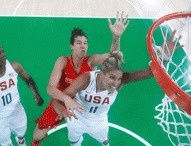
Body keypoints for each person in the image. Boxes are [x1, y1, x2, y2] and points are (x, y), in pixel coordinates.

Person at [52, 30, 183, 146]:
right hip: (77, 120)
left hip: (99, 123)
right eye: (112, 78)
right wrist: (61, 110)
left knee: (104, 140)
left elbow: (150, 72)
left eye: (119, 78)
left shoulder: (121, 81)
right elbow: (56, 101)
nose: (116, 83)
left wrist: (164, 57)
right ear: (102, 74)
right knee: (74, 141)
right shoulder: (86, 80)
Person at [30, 11, 129, 146]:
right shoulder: (63, 61)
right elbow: (50, 89)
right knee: (37, 135)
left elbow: (114, 56)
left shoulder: (92, 61)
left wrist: (116, 37)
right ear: (71, 46)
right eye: (79, 43)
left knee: (90, 128)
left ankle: (90, 136)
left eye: (85, 43)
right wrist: (66, 100)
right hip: (63, 99)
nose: (83, 46)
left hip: (83, 104)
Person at [0, 46, 44, 146]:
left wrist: (36, 94)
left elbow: (28, 80)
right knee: (5, 142)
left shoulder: (14, 67)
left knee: (21, 132)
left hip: (16, 111)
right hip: (0, 117)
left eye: (3, 52)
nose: (3, 56)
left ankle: (21, 141)